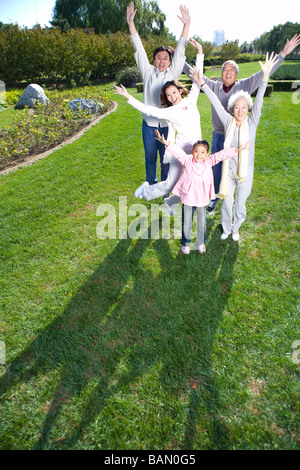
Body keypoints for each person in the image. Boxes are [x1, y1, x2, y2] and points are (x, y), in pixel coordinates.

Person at [184, 33, 300, 215]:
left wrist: (283, 54)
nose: (228, 72)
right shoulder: (213, 85)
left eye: (231, 70)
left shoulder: (244, 85)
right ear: (221, 74)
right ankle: (214, 198)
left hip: (238, 136)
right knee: (215, 167)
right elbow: (194, 76)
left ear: (236, 74)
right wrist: (178, 59)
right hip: (219, 134)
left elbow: (265, 72)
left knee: (236, 167)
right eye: (225, 70)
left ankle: (234, 201)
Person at [191, 52, 278, 241]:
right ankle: (226, 228)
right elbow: (214, 99)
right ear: (232, 109)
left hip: (246, 169)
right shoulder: (227, 120)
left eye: (243, 107)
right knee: (227, 201)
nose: (240, 110)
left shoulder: (252, 122)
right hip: (228, 169)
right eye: (237, 107)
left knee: (240, 203)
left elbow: (260, 99)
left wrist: (264, 77)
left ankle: (236, 227)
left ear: (248, 109)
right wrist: (203, 84)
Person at [113, 40, 204, 203]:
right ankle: (147, 190)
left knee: (193, 179)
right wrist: (128, 96)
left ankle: (172, 203)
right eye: (169, 96)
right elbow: (148, 109)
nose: (172, 97)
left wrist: (200, 52)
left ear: (180, 91)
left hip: (197, 149)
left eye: (174, 93)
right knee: (171, 183)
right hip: (181, 150)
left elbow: (198, 77)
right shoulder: (169, 111)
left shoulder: (191, 100)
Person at [126, 1, 191, 185]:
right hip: (149, 126)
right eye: (159, 58)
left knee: (166, 159)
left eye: (165, 58)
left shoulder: (173, 73)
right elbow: (138, 48)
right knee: (150, 158)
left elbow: (181, 50)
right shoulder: (147, 72)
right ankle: (150, 184)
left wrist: (186, 25)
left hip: (167, 126)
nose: (162, 61)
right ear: (154, 60)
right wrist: (131, 24)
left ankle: (164, 185)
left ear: (170, 61)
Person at [154, 130, 249, 254]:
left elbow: (221, 154)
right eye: (196, 151)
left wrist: (236, 150)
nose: (199, 155)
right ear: (192, 152)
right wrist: (166, 143)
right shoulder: (188, 161)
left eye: (203, 152)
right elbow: (178, 153)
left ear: (207, 154)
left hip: (202, 199)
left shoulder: (209, 162)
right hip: (188, 198)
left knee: (201, 223)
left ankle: (201, 242)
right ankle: (186, 243)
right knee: (186, 222)